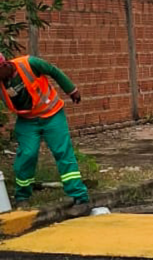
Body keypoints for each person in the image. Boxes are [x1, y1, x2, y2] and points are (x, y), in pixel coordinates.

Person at [0, 54, 88, 207]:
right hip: (27, 120)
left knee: (62, 152)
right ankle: (22, 196)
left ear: (5, 65)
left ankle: (79, 196)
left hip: (52, 114)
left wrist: (71, 90)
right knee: (27, 154)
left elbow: (54, 71)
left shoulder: (30, 64)